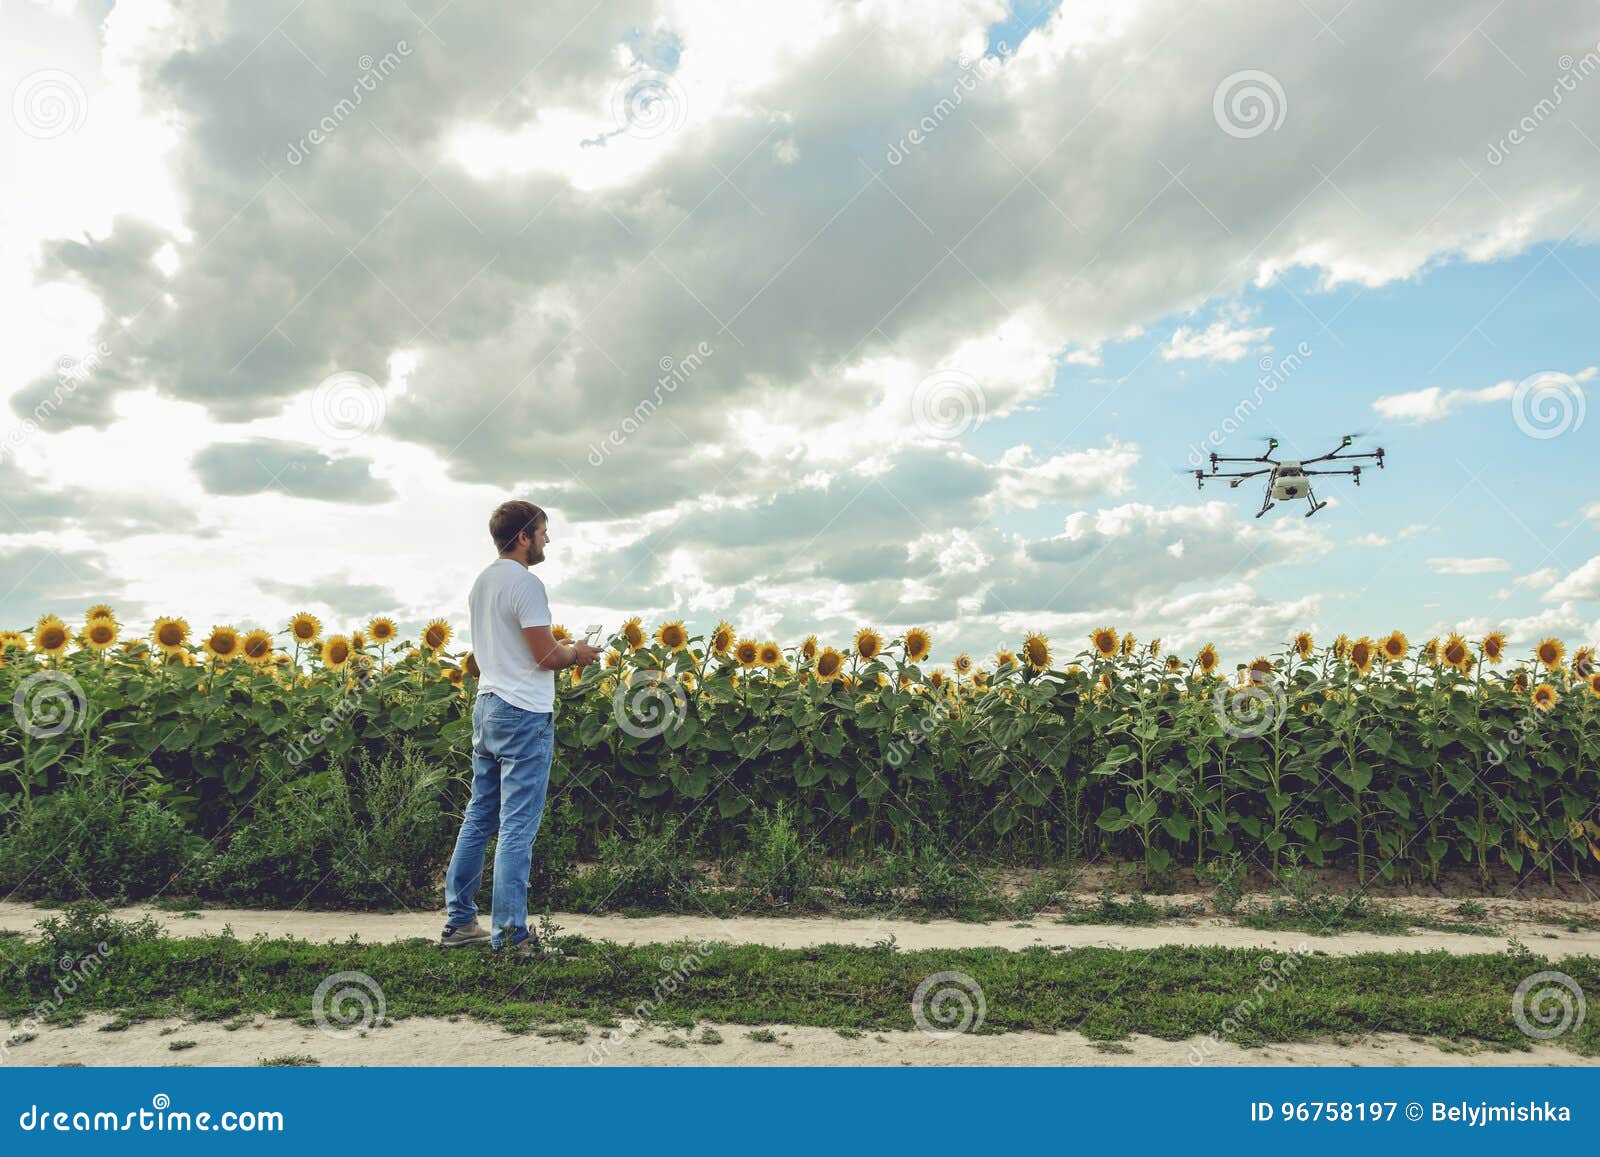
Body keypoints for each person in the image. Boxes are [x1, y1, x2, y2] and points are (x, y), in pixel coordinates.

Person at [440, 500, 601, 956]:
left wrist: (562, 647)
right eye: (544, 531)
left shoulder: (482, 582)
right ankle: (510, 935)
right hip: (524, 714)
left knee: (478, 816)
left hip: (487, 705)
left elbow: (516, 648)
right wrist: (578, 653)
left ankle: (460, 923)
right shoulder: (526, 585)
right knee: (516, 826)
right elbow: (545, 657)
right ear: (525, 537)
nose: (548, 539)